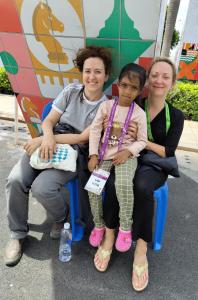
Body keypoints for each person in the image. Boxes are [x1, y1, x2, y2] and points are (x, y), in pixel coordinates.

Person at [4, 45, 112, 267]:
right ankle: (17, 234)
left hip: (74, 153)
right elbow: (48, 120)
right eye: (87, 71)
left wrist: (49, 139)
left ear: (106, 75)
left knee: (43, 187)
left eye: (98, 71)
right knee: (15, 180)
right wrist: (46, 136)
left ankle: (62, 219)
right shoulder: (71, 91)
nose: (92, 76)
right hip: (48, 141)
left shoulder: (106, 106)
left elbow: (83, 138)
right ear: (82, 73)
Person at [93, 57, 184, 291]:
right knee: (113, 182)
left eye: (166, 76)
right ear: (147, 80)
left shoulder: (175, 115)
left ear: (172, 82)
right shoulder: (134, 102)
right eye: (155, 75)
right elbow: (107, 126)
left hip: (154, 164)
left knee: (142, 186)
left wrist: (141, 141)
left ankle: (141, 249)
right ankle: (110, 236)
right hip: (126, 158)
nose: (159, 80)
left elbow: (168, 151)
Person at [87, 63, 147, 256]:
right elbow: (95, 130)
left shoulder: (139, 113)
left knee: (122, 184)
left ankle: (125, 229)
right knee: (94, 187)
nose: (128, 91)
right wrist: (93, 154)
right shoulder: (106, 106)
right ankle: (98, 225)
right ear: (118, 85)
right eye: (124, 85)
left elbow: (142, 141)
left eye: (133, 88)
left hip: (126, 157)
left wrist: (129, 151)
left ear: (139, 91)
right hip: (104, 155)